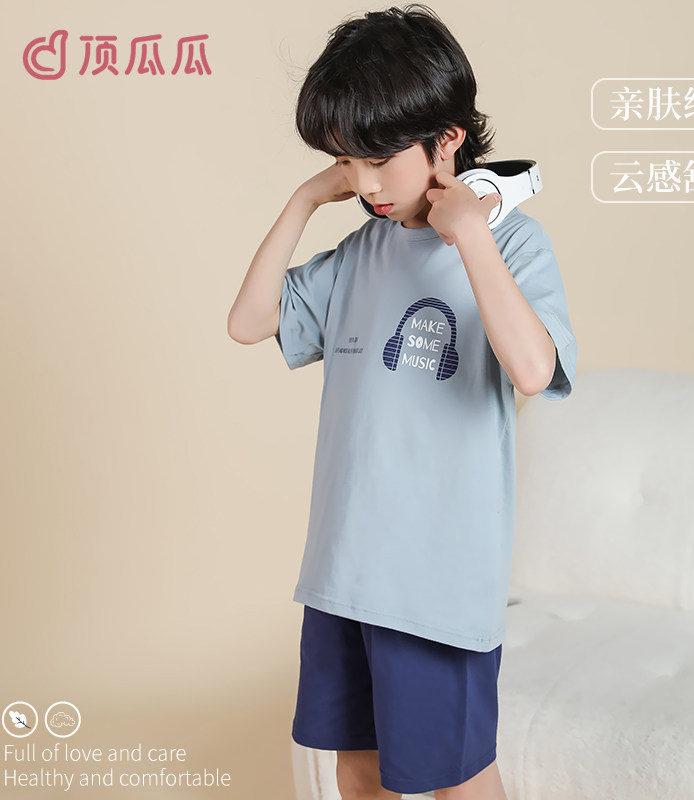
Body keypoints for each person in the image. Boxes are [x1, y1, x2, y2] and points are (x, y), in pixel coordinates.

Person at [227, 5, 577, 798]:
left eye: (380, 159)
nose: (365, 183)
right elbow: (247, 322)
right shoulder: (359, 254)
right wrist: (304, 200)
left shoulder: (514, 246)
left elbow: (532, 369)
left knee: (458, 778)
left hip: (436, 586)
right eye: (347, 162)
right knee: (357, 771)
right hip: (342, 572)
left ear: (447, 140)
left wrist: (472, 234)